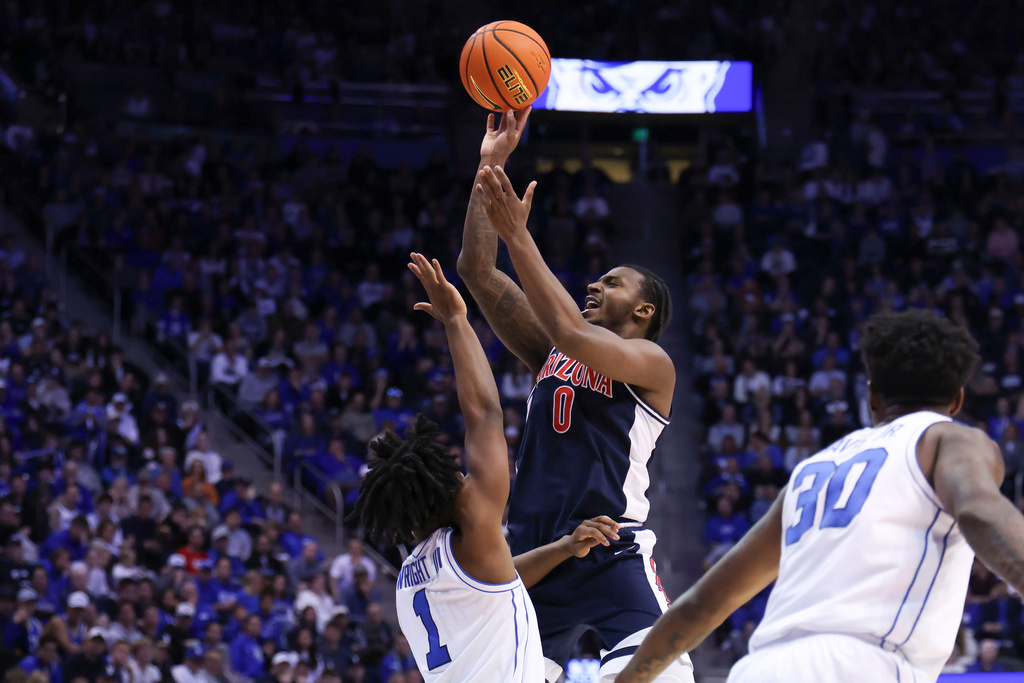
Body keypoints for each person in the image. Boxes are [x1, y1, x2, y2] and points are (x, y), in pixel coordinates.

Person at [617, 309, 1024, 683]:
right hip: (864, 665)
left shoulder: (813, 470)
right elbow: (980, 510)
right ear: (956, 400)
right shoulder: (948, 438)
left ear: (872, 397)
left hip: (760, 669)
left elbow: (703, 604)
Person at [465, 110, 690, 682]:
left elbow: (571, 331)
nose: (595, 284)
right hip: (540, 557)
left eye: (612, 282)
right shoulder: (552, 354)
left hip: (611, 548)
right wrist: (491, 165)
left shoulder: (651, 365)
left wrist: (520, 232)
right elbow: (477, 270)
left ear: (643, 311)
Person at [351, 254, 620, 682]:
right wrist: (457, 321)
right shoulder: (473, 532)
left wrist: (564, 548)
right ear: (445, 496)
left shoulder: (411, 575)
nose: (463, 477)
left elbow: (501, 578)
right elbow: (484, 415)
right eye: (456, 476)